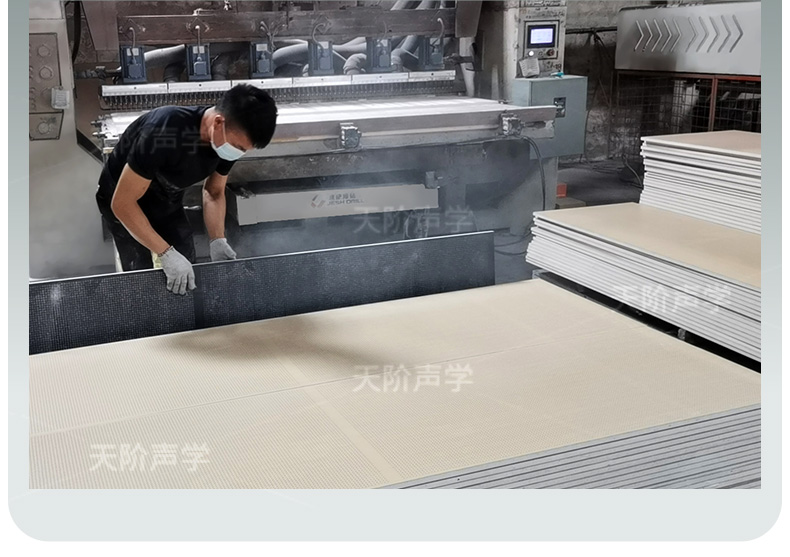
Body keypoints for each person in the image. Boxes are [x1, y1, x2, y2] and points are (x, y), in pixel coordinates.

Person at [95, 84, 278, 294]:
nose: (238, 153)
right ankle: (146, 310)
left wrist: (217, 239)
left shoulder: (224, 142)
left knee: (185, 265)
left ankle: (184, 312)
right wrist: (165, 253)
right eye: (238, 147)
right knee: (142, 276)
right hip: (121, 198)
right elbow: (122, 204)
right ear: (218, 122)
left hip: (166, 197)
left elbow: (214, 192)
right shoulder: (164, 130)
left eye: (244, 150)